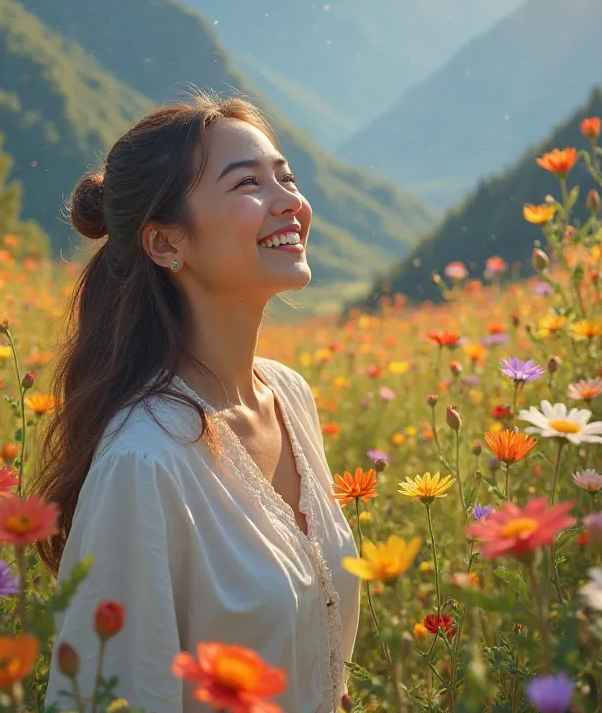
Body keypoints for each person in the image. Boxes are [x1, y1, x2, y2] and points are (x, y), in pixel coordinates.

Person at [38, 92, 360, 712]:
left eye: (285, 177)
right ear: (165, 244)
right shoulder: (144, 461)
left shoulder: (289, 396)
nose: (289, 202)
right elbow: (118, 696)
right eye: (247, 184)